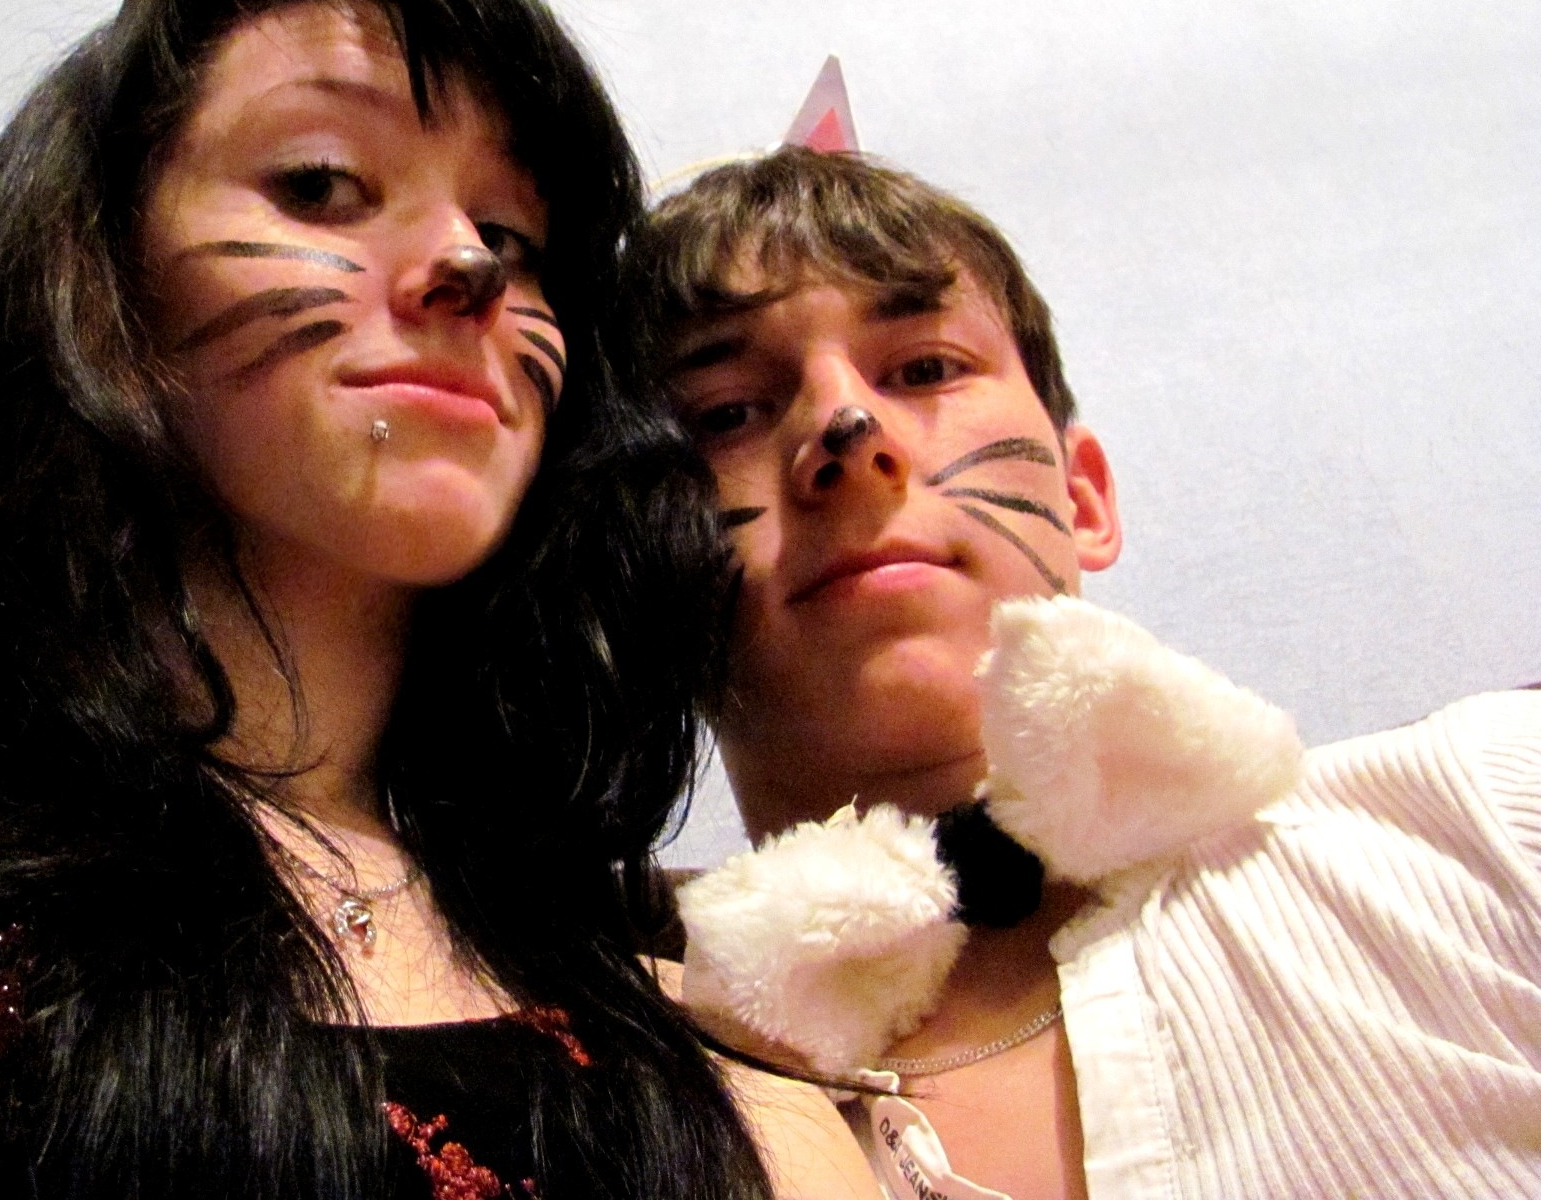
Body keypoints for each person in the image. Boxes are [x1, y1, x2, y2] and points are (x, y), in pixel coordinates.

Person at [0, 0, 874, 1198]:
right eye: (320, 183)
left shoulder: (709, 1086)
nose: (467, 266)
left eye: (515, 235)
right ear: (94, 272)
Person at [632, 139, 1541, 1199]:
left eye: (926, 368)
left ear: (1087, 497)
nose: (846, 428)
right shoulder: (573, 1092)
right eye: (726, 415)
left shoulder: (1488, 818)